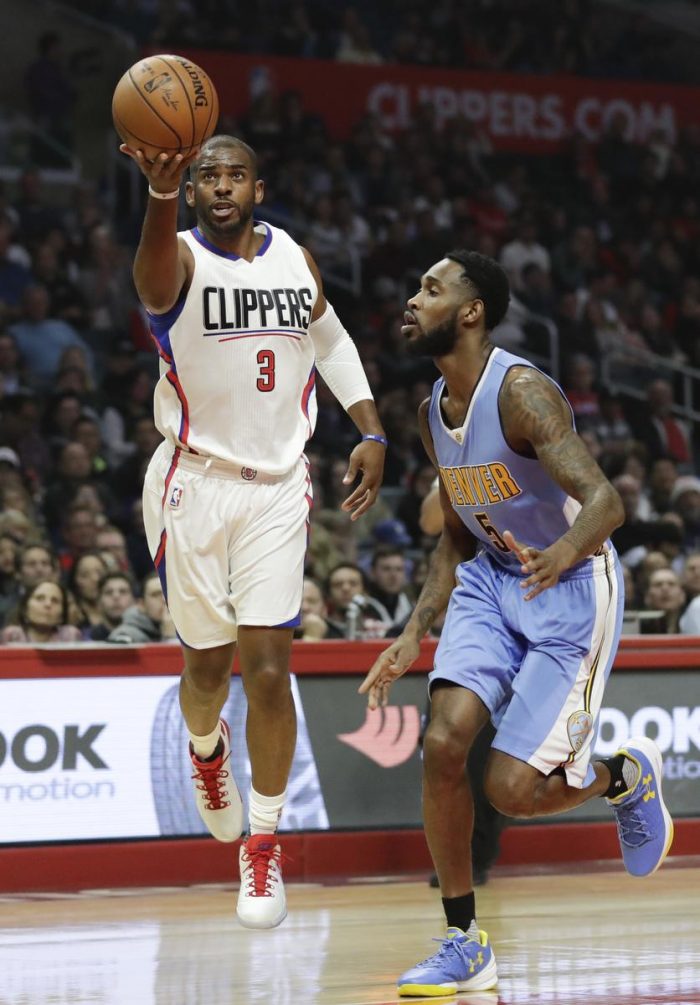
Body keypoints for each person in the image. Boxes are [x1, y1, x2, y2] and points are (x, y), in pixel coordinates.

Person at [359, 249, 673, 998]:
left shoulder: (523, 393)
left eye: (430, 288)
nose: (412, 297)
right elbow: (458, 535)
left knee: (510, 790)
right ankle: (464, 938)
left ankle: (621, 777)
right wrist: (413, 630)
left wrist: (562, 551)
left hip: (568, 586)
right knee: (442, 742)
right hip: (491, 583)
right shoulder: (435, 411)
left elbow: (607, 501)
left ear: (470, 312)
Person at [121, 133, 386, 929]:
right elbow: (151, 275)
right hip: (193, 486)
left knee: (268, 669)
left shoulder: (294, 258)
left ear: (258, 187)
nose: (223, 186)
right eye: (209, 176)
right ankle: (207, 755)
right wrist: (158, 196)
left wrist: (368, 426)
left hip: (276, 487)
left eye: (235, 174)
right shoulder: (177, 261)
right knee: (206, 670)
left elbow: (329, 338)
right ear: (194, 190)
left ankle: (263, 845)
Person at [1, 579, 81, 644]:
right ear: (25, 609)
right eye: (40, 598)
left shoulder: (70, 635)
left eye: (55, 601)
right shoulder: (12, 635)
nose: (48, 604)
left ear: (62, 615)